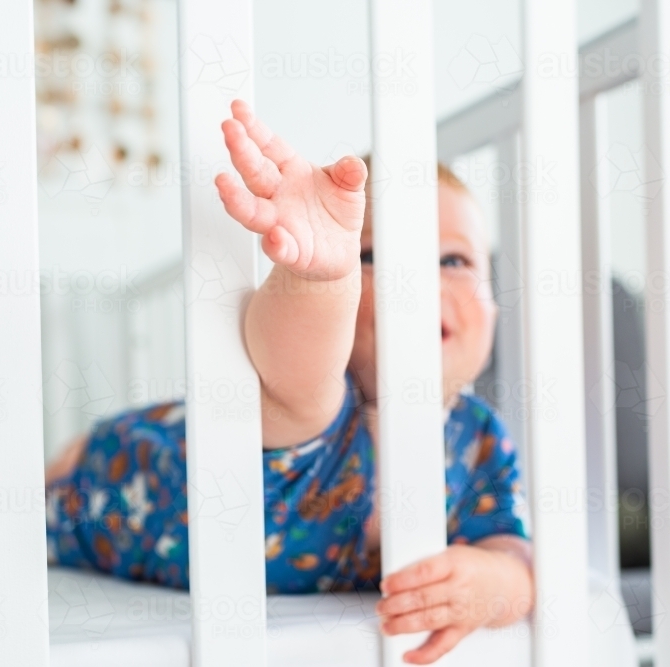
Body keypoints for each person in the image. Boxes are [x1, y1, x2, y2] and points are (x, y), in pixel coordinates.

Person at [43, 100, 533, 664]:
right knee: (41, 502)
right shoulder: (317, 401)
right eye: (373, 255)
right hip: (128, 480)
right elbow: (294, 355)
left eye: (453, 261)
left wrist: (493, 584)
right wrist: (321, 275)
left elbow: (514, 550)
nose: (420, 279)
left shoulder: (478, 439)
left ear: (493, 309)